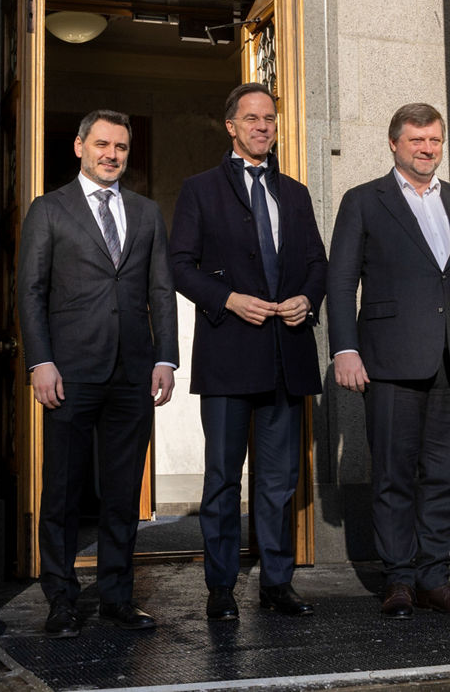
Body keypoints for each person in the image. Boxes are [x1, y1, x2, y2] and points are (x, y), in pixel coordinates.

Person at [327, 102, 450, 619]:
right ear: (394, 143)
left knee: (444, 475)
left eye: (434, 141)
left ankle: (435, 577)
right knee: (392, 474)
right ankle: (399, 580)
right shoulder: (364, 201)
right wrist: (345, 349)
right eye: (416, 141)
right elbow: (341, 282)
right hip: (388, 361)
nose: (427, 149)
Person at [17, 110, 178, 638]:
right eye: (103, 144)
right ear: (80, 147)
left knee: (122, 492)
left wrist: (165, 358)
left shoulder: (147, 212)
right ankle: (61, 599)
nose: (113, 155)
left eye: (122, 147)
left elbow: (160, 291)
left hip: (132, 371)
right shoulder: (49, 209)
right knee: (62, 491)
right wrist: (40, 362)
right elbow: (31, 292)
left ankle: (116, 597)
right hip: (69, 370)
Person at [170, 83, 328, 621]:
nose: (263, 126)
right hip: (229, 356)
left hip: (286, 356)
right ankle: (220, 589)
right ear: (231, 127)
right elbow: (180, 266)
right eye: (252, 118)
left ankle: (277, 584)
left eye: (270, 118)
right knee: (221, 479)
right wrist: (230, 299)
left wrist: (308, 297)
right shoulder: (199, 190)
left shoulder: (296, 193)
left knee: (279, 479)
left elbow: (317, 264)